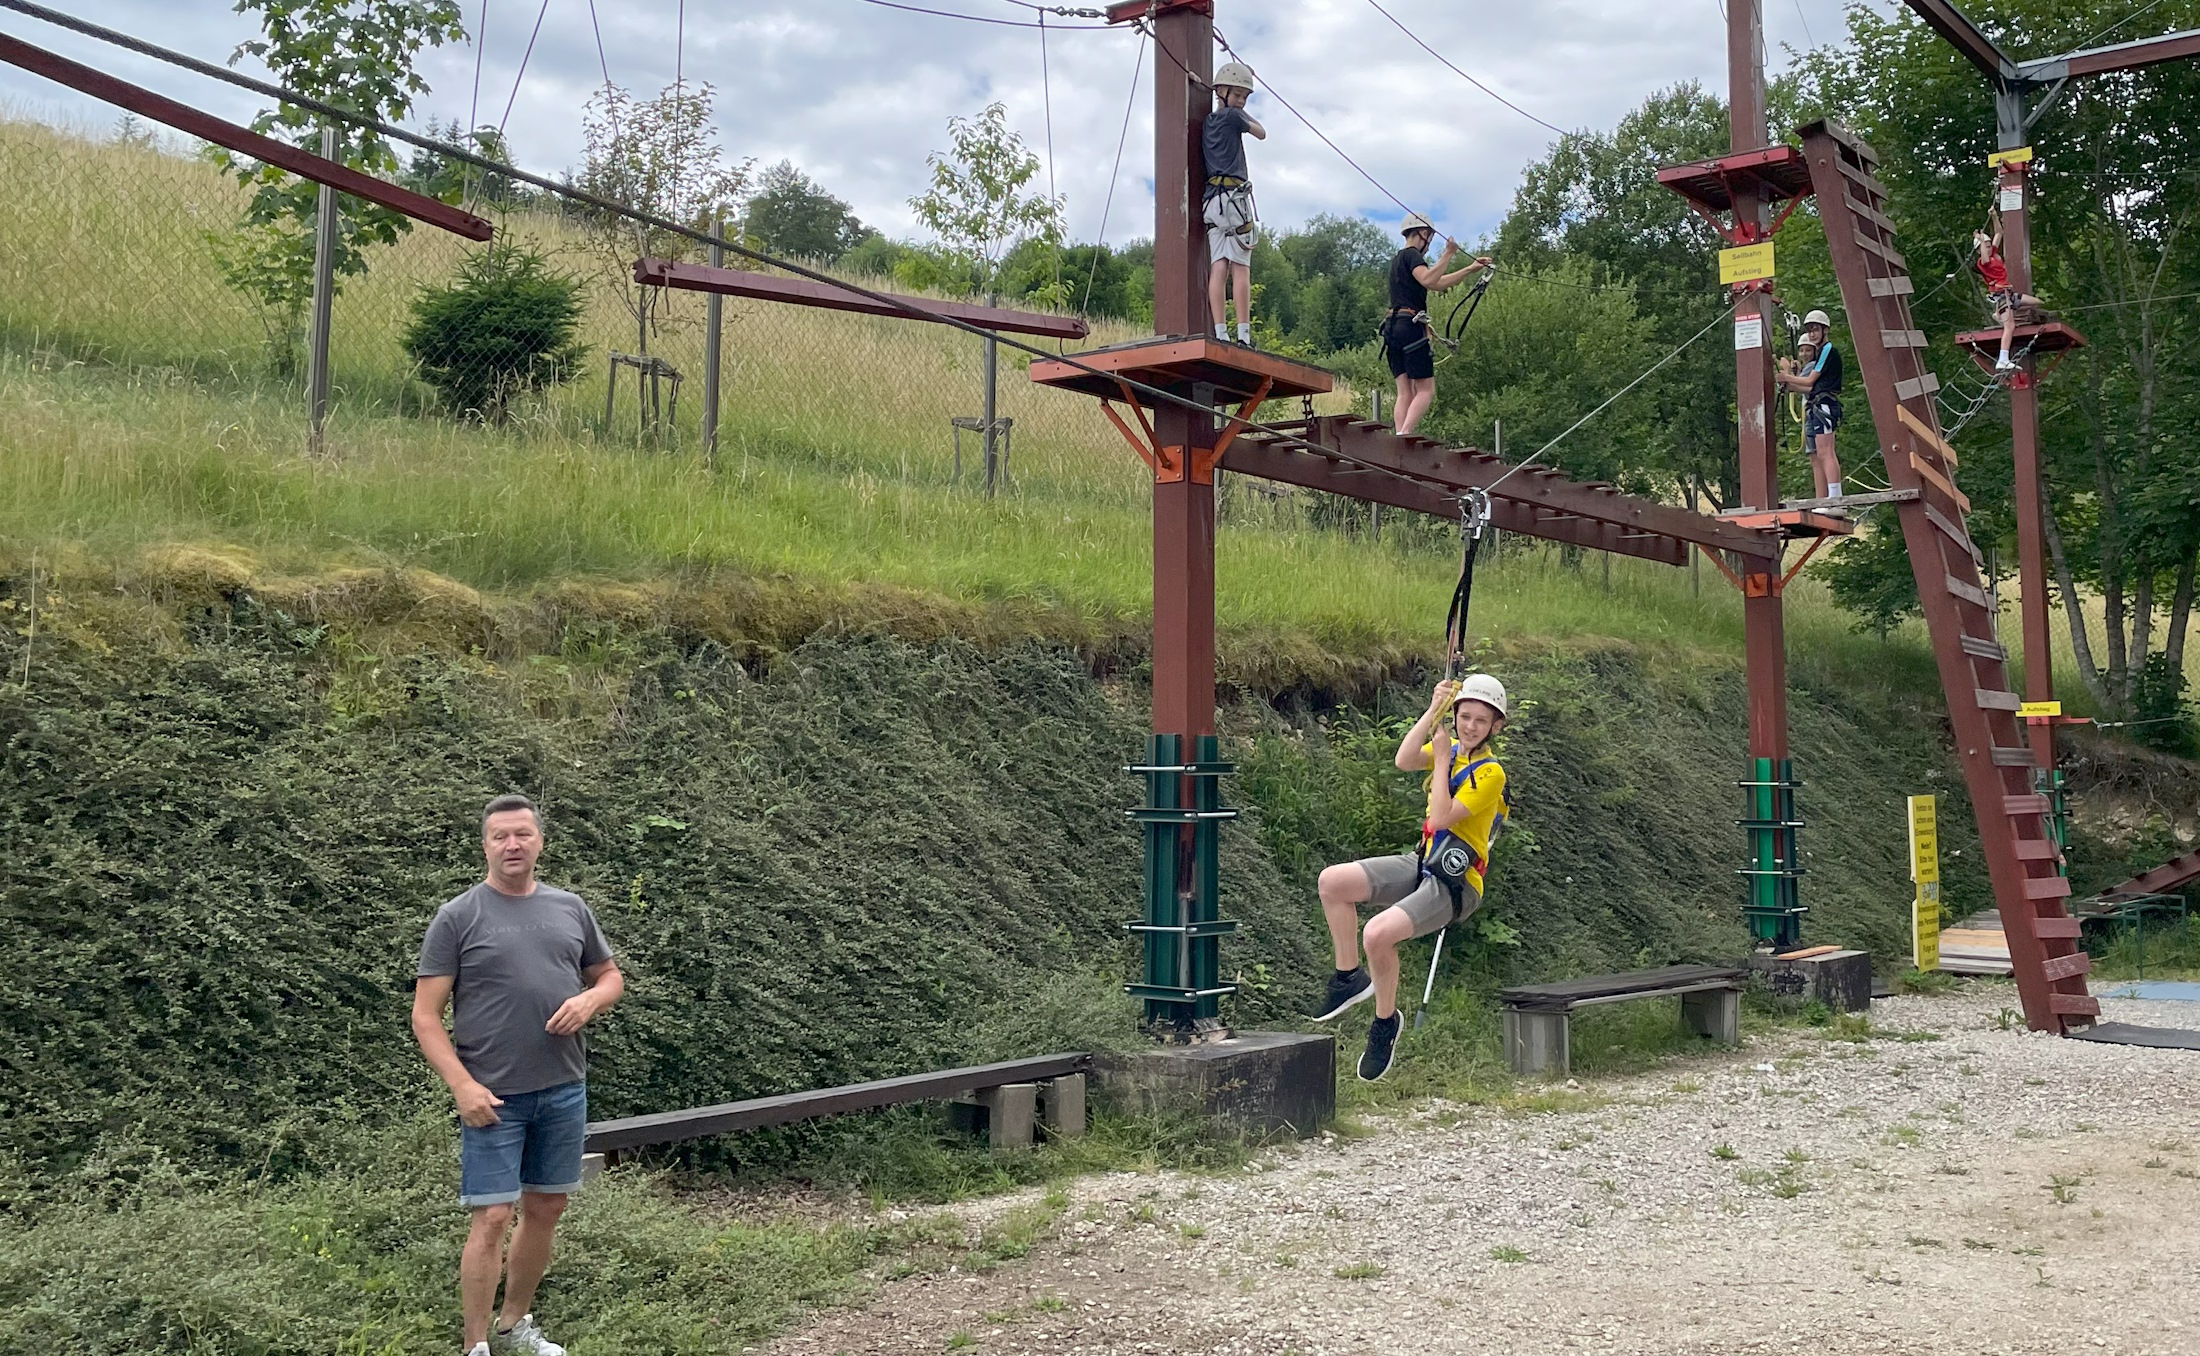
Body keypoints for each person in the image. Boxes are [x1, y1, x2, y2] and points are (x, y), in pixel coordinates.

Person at [414, 794, 624, 1356]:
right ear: (484, 845)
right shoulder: (458, 916)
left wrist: (589, 1002)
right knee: (492, 1216)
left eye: (522, 835)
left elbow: (609, 977)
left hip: (562, 1086)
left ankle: (514, 1326)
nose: (513, 845)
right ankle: (475, 1345)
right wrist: (461, 1085)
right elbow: (425, 1017)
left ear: (539, 842)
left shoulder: (569, 907)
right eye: (501, 836)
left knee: (546, 1208)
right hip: (492, 1095)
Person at [1311, 674, 1510, 1082]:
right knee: (1332, 881)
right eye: (1464, 716)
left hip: (1457, 882)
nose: (1470, 726)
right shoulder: (1449, 747)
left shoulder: (1491, 775)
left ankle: (1385, 1023)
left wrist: (1440, 761)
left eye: (1481, 720)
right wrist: (1433, 710)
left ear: (1496, 727)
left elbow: (1439, 817)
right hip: (1423, 861)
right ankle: (1348, 978)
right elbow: (1403, 759)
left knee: (1378, 934)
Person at [1383, 213, 1492, 436]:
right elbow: (1429, 280)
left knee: (1405, 392)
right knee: (1425, 389)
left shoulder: (1397, 260)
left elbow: (1438, 283)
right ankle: (1403, 435)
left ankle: (1398, 435)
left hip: (1392, 327)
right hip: (1409, 326)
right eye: (1429, 237)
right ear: (1423, 233)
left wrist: (1470, 269)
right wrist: (1448, 254)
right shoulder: (1413, 255)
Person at [1202, 61, 1266, 347]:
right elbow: (1261, 132)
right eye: (1237, 95)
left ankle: (1220, 332)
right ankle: (1243, 335)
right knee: (1240, 267)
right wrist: (1238, 109)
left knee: (1219, 265)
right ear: (1224, 92)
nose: (1241, 101)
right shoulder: (1233, 118)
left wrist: (1221, 96)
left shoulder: (1209, 121)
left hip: (1212, 202)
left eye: (1245, 96)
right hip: (1234, 200)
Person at [1774, 308, 1844, 501]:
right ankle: (1830, 498)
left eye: (1815, 330)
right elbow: (1809, 386)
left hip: (1824, 404)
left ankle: (1835, 498)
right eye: (1810, 330)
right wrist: (1788, 381)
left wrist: (1787, 375)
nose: (1812, 334)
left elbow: (1809, 382)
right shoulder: (1822, 351)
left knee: (1825, 452)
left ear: (1824, 330)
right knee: (1821, 453)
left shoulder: (1827, 350)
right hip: (1818, 404)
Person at [1973, 208, 2042, 372]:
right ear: (1980, 248)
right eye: (1986, 246)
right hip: (2000, 295)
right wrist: (1980, 240)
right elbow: (1983, 255)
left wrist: (1994, 216)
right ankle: (2003, 359)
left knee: (2037, 302)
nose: (1990, 248)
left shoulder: (1993, 253)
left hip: (2009, 293)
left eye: (1990, 245)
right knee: (2009, 327)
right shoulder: (1983, 262)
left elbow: (1999, 232)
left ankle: (1998, 316)